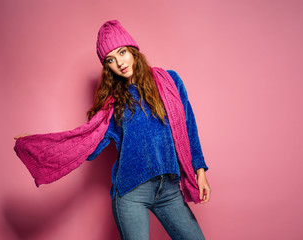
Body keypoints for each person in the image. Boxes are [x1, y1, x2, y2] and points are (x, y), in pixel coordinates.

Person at [14, 20, 210, 240]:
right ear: (107, 66)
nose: (120, 63)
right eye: (111, 60)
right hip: (131, 192)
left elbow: (188, 125)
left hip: (170, 190)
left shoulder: (170, 81)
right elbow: (87, 144)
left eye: (122, 52)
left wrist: (199, 172)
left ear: (133, 51)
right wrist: (39, 144)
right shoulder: (113, 103)